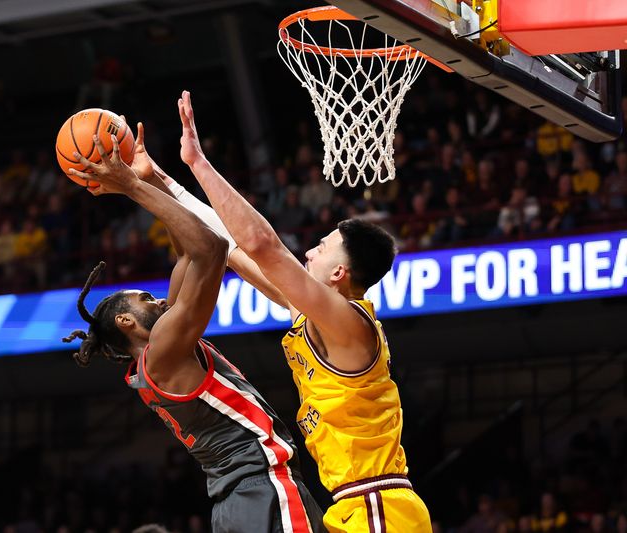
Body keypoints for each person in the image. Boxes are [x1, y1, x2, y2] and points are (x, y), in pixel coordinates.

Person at [171, 90, 431, 532]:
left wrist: (198, 162)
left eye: (322, 247)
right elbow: (231, 247)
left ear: (339, 274)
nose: (309, 252)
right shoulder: (318, 319)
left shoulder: (350, 324)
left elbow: (262, 244)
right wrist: (161, 181)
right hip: (351, 505)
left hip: (379, 506)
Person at [62, 131, 325, 533]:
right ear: (125, 321)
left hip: (238, 500)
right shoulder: (163, 352)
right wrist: (130, 187)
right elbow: (211, 249)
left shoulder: (158, 355)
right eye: (145, 298)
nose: (158, 300)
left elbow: (187, 251)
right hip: (260, 485)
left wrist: (148, 180)